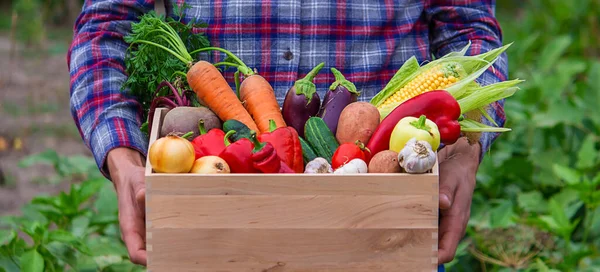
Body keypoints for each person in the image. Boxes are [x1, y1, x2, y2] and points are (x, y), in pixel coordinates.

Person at [67, 0, 507, 269]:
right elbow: (107, 28)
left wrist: (465, 150)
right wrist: (122, 155)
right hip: (211, 225)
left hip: (383, 226)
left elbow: (469, 31)